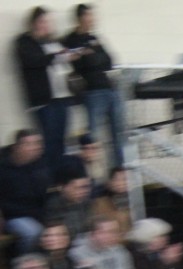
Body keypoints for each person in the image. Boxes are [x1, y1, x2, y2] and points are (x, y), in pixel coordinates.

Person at [15, 6, 76, 172]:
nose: (45, 25)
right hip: (44, 100)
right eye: (42, 21)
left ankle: (60, 177)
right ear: (33, 23)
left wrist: (67, 55)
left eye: (48, 22)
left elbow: (62, 61)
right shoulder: (25, 42)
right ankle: (47, 177)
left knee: (61, 140)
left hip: (62, 97)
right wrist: (55, 56)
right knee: (48, 142)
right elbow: (34, 61)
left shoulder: (54, 42)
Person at [63, 3, 125, 165]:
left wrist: (90, 56)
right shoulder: (70, 40)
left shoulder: (94, 38)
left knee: (117, 134)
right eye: (89, 15)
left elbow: (109, 61)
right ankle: (89, 172)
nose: (93, 19)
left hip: (109, 89)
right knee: (92, 138)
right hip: (92, 92)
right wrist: (91, 57)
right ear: (80, 18)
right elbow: (80, 64)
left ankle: (118, 170)